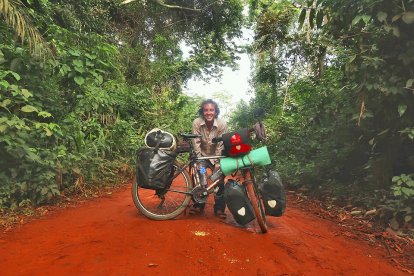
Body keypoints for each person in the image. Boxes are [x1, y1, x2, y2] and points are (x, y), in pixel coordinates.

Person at [190, 99, 228, 219]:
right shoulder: (197, 123)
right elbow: (195, 142)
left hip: (216, 157)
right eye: (206, 110)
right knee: (201, 178)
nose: (208, 112)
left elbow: (221, 144)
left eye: (211, 110)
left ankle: (219, 208)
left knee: (219, 181)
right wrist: (198, 162)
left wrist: (217, 162)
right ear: (202, 112)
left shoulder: (222, 124)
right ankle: (199, 205)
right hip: (201, 156)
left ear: (216, 112)